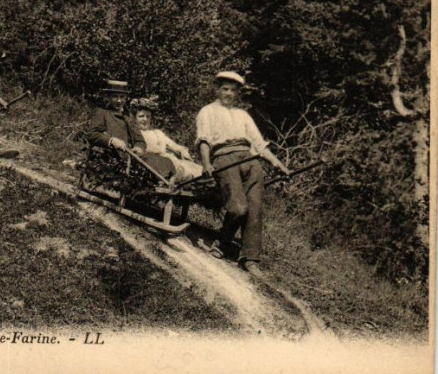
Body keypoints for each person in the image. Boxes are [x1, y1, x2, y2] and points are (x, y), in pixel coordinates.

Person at [195, 71, 290, 276]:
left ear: (238, 94)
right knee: (238, 208)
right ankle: (222, 243)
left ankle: (250, 258)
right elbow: (204, 140)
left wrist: (277, 164)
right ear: (217, 89)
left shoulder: (243, 115)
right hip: (224, 158)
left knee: (255, 210)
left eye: (233, 90)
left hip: (250, 161)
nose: (228, 94)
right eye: (224, 89)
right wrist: (206, 164)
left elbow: (259, 144)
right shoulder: (207, 112)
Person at [86, 80, 175, 181]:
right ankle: (163, 183)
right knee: (152, 163)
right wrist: (112, 140)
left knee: (165, 161)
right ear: (108, 97)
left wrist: (139, 147)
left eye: (122, 97)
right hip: (114, 157)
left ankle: (171, 182)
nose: (119, 101)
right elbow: (92, 134)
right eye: (115, 96)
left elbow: (140, 140)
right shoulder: (102, 113)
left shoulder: (128, 116)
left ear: (126, 98)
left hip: (132, 156)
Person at [130, 97, 203, 184]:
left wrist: (181, 150)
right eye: (141, 116)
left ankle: (190, 180)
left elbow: (172, 145)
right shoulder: (135, 134)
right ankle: (181, 179)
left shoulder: (157, 133)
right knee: (174, 167)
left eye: (148, 116)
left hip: (169, 160)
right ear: (135, 118)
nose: (145, 119)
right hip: (151, 163)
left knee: (194, 168)